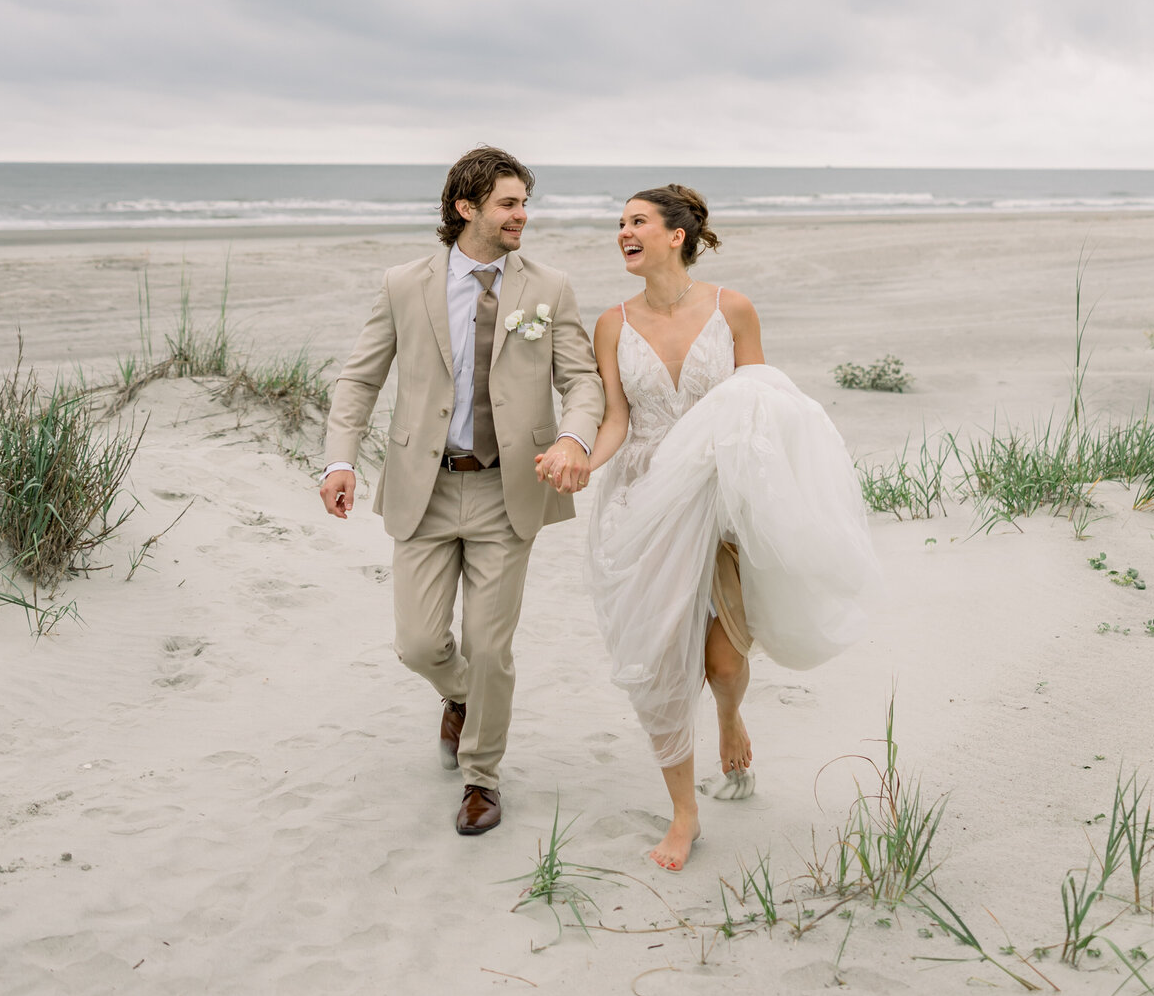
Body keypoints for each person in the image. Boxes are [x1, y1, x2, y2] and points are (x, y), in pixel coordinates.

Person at [551, 185, 878, 872]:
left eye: (636, 221)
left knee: (723, 663)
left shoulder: (733, 310)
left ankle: (730, 714)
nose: (622, 232)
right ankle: (684, 815)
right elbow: (616, 420)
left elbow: (766, 408)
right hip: (644, 502)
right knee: (662, 665)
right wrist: (580, 456)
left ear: (677, 235)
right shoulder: (611, 324)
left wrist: (769, 495)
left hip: (723, 498)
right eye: (619, 223)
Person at [321, 146, 604, 836]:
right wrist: (339, 461)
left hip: (510, 491)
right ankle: (458, 698)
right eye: (508, 204)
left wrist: (574, 439)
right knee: (418, 644)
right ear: (466, 208)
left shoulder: (550, 288)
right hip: (425, 486)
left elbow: (583, 381)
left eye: (523, 203)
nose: (522, 216)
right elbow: (359, 379)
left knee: (488, 645)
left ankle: (482, 777)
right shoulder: (403, 284)